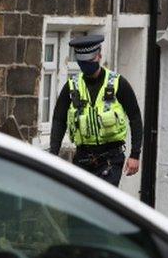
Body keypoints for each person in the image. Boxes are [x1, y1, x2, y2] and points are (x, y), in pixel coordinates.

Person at [50, 35, 143, 186]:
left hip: (111, 158)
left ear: (99, 56)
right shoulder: (72, 86)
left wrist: (135, 154)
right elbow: (59, 120)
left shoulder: (118, 83)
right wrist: (53, 154)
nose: (86, 65)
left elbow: (135, 117)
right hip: (83, 157)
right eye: (82, 62)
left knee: (103, 203)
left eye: (90, 61)